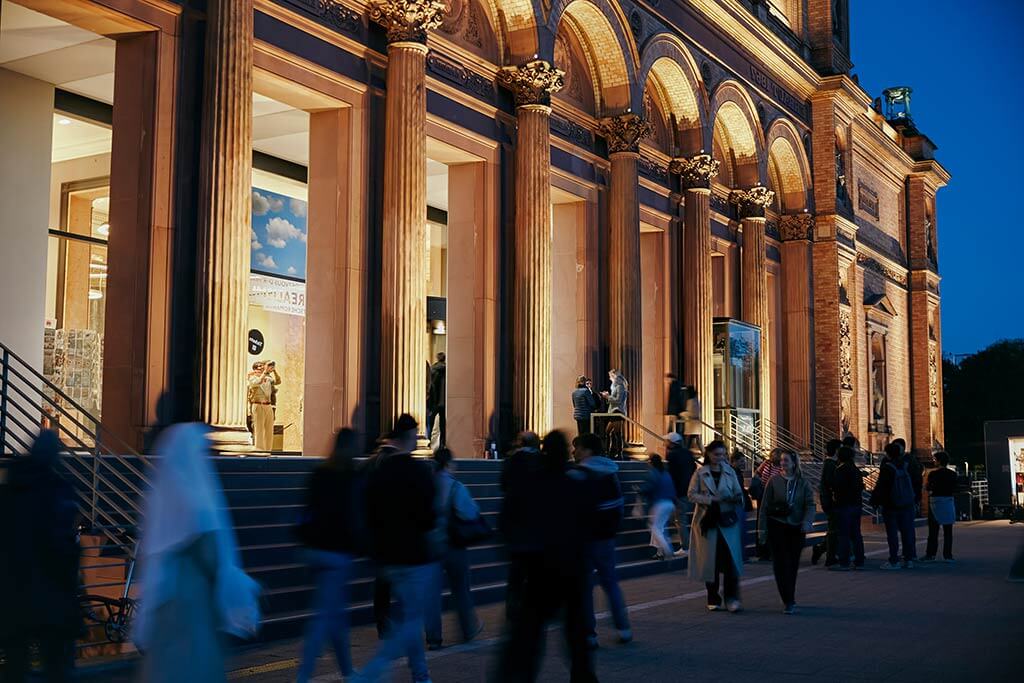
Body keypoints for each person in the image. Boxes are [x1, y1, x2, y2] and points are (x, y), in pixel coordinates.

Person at [135, 423, 261, 683]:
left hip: (165, 596)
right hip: (194, 598)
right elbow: (210, 549)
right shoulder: (196, 495)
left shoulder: (163, 490)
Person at [497, 430, 596, 683]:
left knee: (527, 641)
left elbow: (507, 523)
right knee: (576, 640)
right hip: (569, 572)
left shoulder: (530, 484)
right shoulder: (576, 484)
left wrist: (517, 559)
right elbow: (589, 526)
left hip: (537, 571)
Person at [358, 414, 437, 683]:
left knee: (411, 619)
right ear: (410, 438)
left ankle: (421, 674)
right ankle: (373, 672)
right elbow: (429, 517)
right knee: (412, 621)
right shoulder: (419, 471)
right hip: (414, 555)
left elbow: (369, 512)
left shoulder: (379, 470)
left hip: (388, 555)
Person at [1, 431, 81, 683]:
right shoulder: (58, 491)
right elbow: (64, 547)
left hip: (13, 596)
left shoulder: (10, 490)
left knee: (15, 665)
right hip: (51, 596)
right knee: (56, 666)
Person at [295, 429, 364, 682]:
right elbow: (355, 517)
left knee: (334, 615)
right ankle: (303, 676)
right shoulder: (350, 476)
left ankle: (347, 671)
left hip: (315, 550)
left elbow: (306, 509)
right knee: (324, 618)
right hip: (336, 553)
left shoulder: (320, 473)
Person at [571, 433, 631, 648]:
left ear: (587, 450)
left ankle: (589, 633)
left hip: (585, 538)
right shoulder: (612, 473)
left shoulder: (579, 474)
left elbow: (573, 509)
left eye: (577, 447)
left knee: (585, 587)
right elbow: (620, 505)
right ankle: (623, 627)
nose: (574, 451)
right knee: (610, 583)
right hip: (606, 537)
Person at [425, 447, 484, 650]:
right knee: (461, 589)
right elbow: (469, 512)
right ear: (449, 463)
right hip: (453, 545)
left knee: (431, 594)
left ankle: (433, 637)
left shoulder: (427, 485)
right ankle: (467, 628)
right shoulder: (455, 486)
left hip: (431, 545)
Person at [687, 440, 745, 613]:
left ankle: (731, 597)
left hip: (727, 521)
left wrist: (732, 499)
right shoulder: (700, 473)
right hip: (707, 521)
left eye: (722, 454)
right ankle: (713, 597)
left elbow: (739, 493)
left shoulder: (730, 472)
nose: (719, 458)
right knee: (709, 561)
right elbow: (691, 495)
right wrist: (710, 500)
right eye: (716, 454)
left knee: (730, 561)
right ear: (709, 455)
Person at [758, 450, 816, 614]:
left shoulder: (803, 483)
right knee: (780, 563)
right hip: (777, 525)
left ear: (794, 462)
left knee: (792, 563)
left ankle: (790, 594)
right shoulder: (773, 481)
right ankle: (787, 599)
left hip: (796, 527)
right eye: (781, 460)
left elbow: (810, 504)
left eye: (785, 460)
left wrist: (807, 521)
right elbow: (764, 506)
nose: (782, 463)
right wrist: (762, 529)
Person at [500, 431, 542, 624]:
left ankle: (512, 611)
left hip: (515, 525)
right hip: (535, 526)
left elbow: (503, 485)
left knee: (515, 576)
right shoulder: (541, 462)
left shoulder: (511, 461)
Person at [871, 441, 923, 569]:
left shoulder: (888, 467)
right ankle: (909, 559)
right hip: (907, 503)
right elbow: (917, 480)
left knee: (892, 533)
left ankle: (894, 560)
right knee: (907, 531)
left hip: (891, 504)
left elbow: (881, 487)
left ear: (888, 454)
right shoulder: (907, 465)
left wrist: (875, 501)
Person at [829, 445, 865, 570]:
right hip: (856, 504)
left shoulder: (840, 470)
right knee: (856, 534)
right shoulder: (855, 470)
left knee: (843, 534)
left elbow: (837, 487)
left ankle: (844, 561)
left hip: (844, 505)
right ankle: (859, 560)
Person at [640, 453, 678, 561]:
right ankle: (659, 552)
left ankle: (667, 550)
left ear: (651, 463)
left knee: (654, 527)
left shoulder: (653, 473)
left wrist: (640, 490)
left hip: (660, 503)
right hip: (670, 503)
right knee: (661, 527)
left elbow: (649, 486)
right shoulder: (666, 473)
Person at [812, 439, 843, 566]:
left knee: (835, 529)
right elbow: (831, 484)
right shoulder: (830, 464)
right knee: (833, 530)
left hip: (831, 501)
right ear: (836, 450)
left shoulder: (833, 463)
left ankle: (823, 550)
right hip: (831, 502)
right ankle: (827, 554)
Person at [923, 451, 957, 563]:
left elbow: (928, 487)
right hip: (948, 501)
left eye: (935, 459)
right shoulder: (952, 474)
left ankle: (930, 554)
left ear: (939, 461)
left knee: (933, 530)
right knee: (948, 530)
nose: (934, 461)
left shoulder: (933, 474)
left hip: (936, 501)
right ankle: (948, 555)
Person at [665, 432, 696, 554]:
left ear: (672, 443)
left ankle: (686, 546)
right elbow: (693, 468)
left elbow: (671, 474)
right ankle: (690, 544)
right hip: (690, 489)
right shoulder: (688, 453)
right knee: (683, 518)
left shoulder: (672, 456)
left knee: (680, 519)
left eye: (667, 441)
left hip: (679, 491)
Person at [752, 450, 783, 561]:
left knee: (773, 523)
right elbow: (757, 473)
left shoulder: (782, 466)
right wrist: (760, 481)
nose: (776, 457)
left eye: (778, 455)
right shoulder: (767, 463)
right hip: (763, 495)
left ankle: (772, 551)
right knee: (762, 522)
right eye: (775, 455)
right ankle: (762, 551)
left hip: (774, 497)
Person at [247, 361, 275, 451]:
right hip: (258, 405)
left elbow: (277, 381)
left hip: (268, 406)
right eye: (260, 368)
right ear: (255, 370)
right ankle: (259, 451)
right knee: (259, 430)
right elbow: (256, 383)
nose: (262, 369)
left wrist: (273, 370)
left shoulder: (267, 378)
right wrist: (264, 373)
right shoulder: (252, 379)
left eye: (263, 367)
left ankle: (268, 451)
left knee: (269, 430)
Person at [426, 352, 447, 447]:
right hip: (444, 402)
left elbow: (430, 386)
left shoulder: (432, 370)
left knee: (430, 424)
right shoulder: (447, 370)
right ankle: (442, 445)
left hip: (434, 402)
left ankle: (427, 442)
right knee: (443, 426)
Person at [681, 386, 703, 452]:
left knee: (688, 441)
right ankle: (703, 453)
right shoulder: (696, 400)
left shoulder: (690, 401)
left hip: (691, 423)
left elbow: (690, 413)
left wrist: (682, 414)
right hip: (695, 423)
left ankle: (685, 454)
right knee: (697, 440)